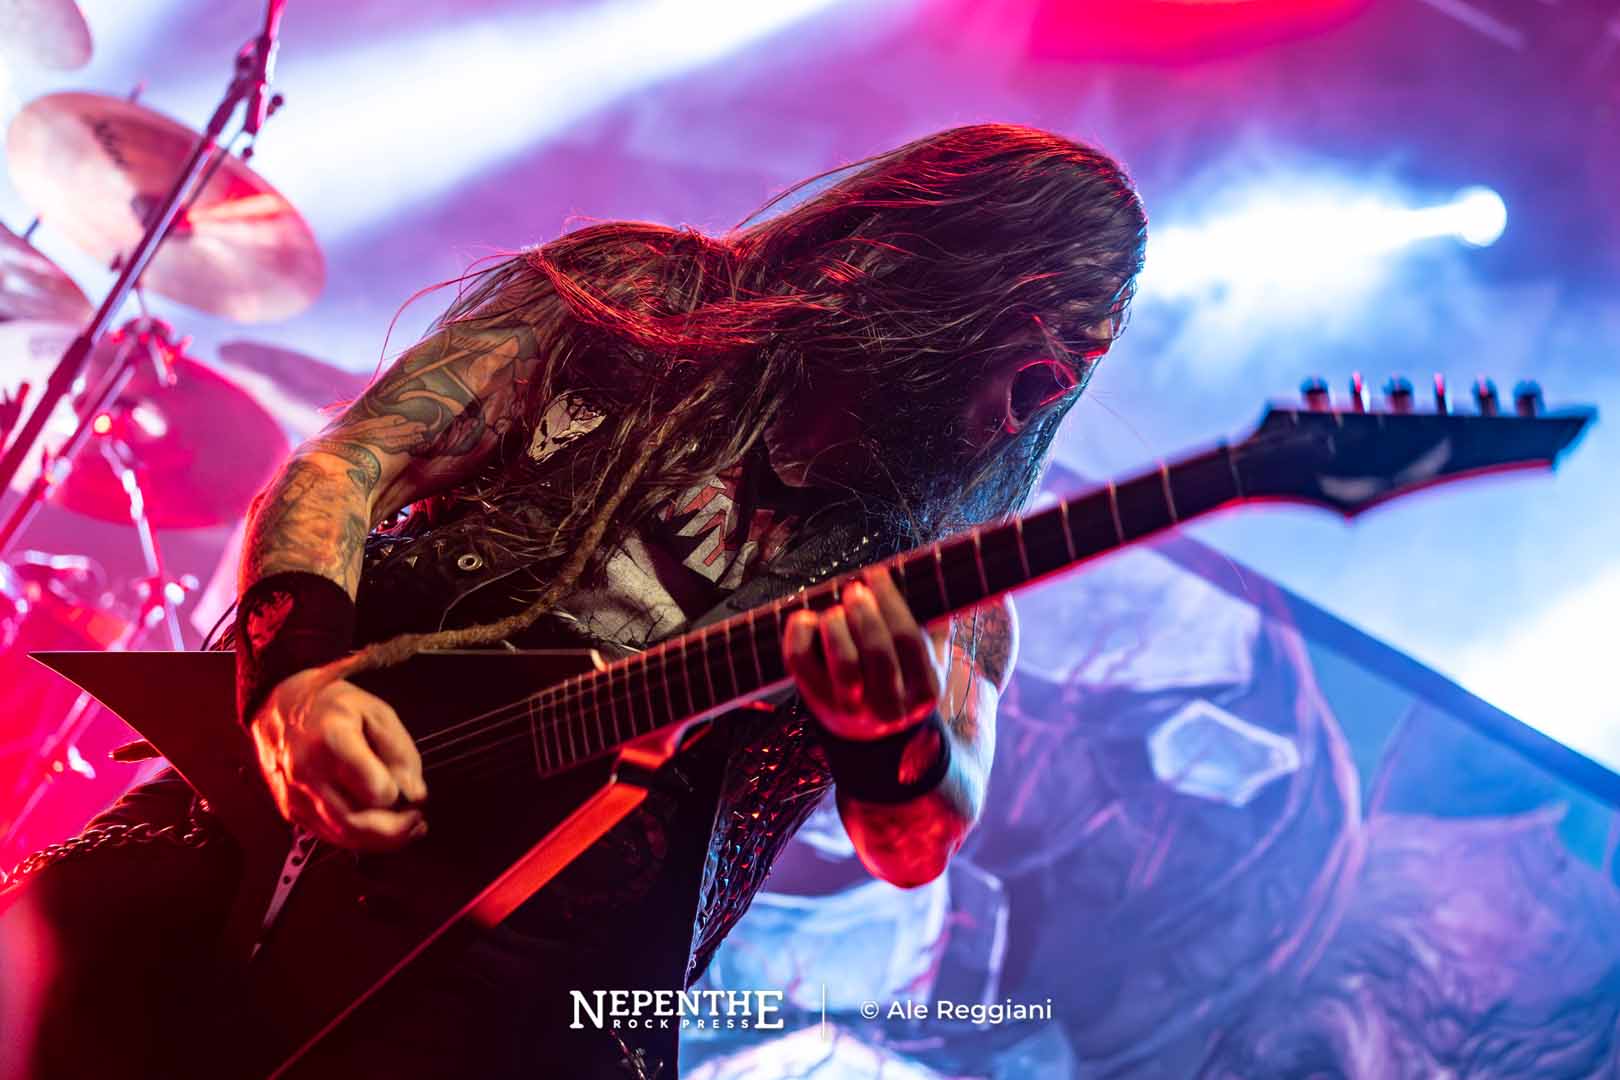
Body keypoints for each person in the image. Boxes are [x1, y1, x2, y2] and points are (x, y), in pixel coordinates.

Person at [0, 121, 1147, 1078]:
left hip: (540, 993)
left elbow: (923, 836)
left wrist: (892, 736)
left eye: (1064, 379)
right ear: (921, 260)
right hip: (291, 818)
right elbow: (351, 462)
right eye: (1026, 349)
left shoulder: (950, 584)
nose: (1023, 409)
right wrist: (294, 683)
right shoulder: (639, 302)